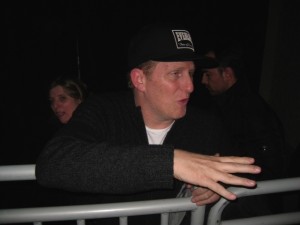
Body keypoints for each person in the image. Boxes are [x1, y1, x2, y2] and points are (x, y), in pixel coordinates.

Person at [35, 23, 261, 225]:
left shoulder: (207, 125)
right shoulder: (103, 111)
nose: (190, 86)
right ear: (139, 79)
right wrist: (170, 162)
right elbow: (52, 164)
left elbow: (250, 201)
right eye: (175, 74)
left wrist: (217, 191)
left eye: (191, 73)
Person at [195, 43, 286, 219]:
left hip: (249, 207)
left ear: (227, 74)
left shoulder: (250, 111)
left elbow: (268, 164)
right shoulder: (225, 105)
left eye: (208, 75)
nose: (202, 81)